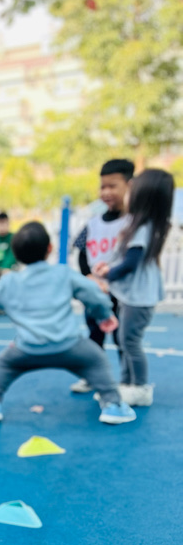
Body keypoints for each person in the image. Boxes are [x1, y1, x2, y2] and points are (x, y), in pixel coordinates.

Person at [0, 221, 136, 425]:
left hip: (27, 349)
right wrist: (103, 314)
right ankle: (113, 405)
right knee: (97, 360)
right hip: (69, 346)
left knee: (2, 365)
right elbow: (93, 293)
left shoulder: (10, 282)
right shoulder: (62, 273)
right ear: (49, 249)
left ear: (16, 255)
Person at [93, 168, 175, 408]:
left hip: (139, 298)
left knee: (130, 341)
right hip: (135, 296)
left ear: (142, 198)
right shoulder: (143, 226)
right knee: (125, 339)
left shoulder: (142, 227)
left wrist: (108, 274)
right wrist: (108, 266)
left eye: (130, 192)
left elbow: (130, 263)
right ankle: (127, 384)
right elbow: (125, 258)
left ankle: (139, 387)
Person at [70, 158, 135, 392]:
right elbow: (81, 252)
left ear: (129, 185)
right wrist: (88, 277)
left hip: (122, 293)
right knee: (94, 336)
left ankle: (128, 381)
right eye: (102, 186)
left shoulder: (133, 222)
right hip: (96, 293)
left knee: (123, 338)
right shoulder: (93, 223)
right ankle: (92, 377)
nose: (106, 192)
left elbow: (134, 258)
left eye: (112, 186)